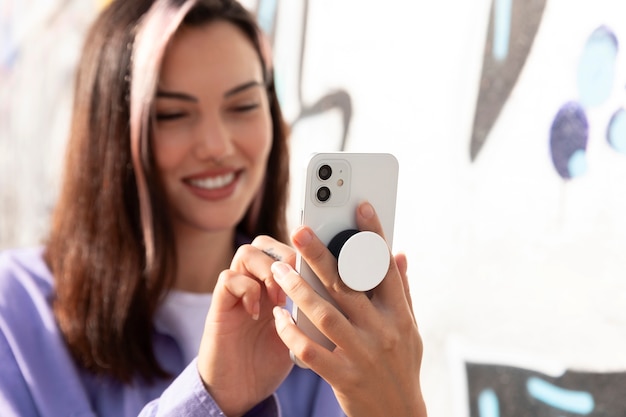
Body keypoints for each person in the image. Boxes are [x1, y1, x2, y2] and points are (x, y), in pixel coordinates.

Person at [0, 0, 427, 416]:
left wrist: (399, 407)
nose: (217, 146)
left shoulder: (317, 319)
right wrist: (209, 398)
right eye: (172, 115)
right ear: (111, 133)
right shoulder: (16, 312)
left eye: (243, 106)